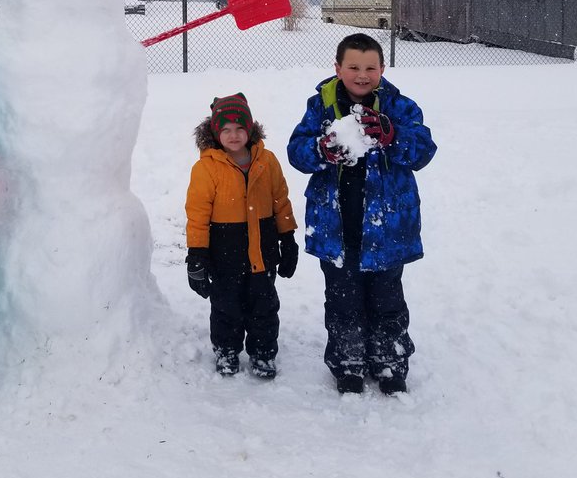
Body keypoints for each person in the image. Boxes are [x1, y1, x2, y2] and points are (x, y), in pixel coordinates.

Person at [287, 33, 436, 395]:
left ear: (382, 69)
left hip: (387, 228)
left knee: (387, 299)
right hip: (336, 228)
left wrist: (392, 136)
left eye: (370, 67)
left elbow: (423, 150)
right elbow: (296, 151)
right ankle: (348, 362)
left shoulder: (399, 107)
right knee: (344, 299)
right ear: (338, 68)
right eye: (353, 67)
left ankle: (389, 361)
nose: (362, 75)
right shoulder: (321, 107)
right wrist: (320, 150)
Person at [185, 93, 299, 379]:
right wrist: (197, 255)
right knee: (226, 307)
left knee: (264, 306)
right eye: (225, 129)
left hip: (263, 252)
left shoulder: (267, 161)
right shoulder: (206, 168)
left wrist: (288, 238)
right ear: (215, 132)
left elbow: (281, 200)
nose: (233, 135)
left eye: (239, 128)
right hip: (225, 255)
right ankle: (226, 350)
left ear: (250, 128)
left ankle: (263, 353)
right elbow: (197, 215)